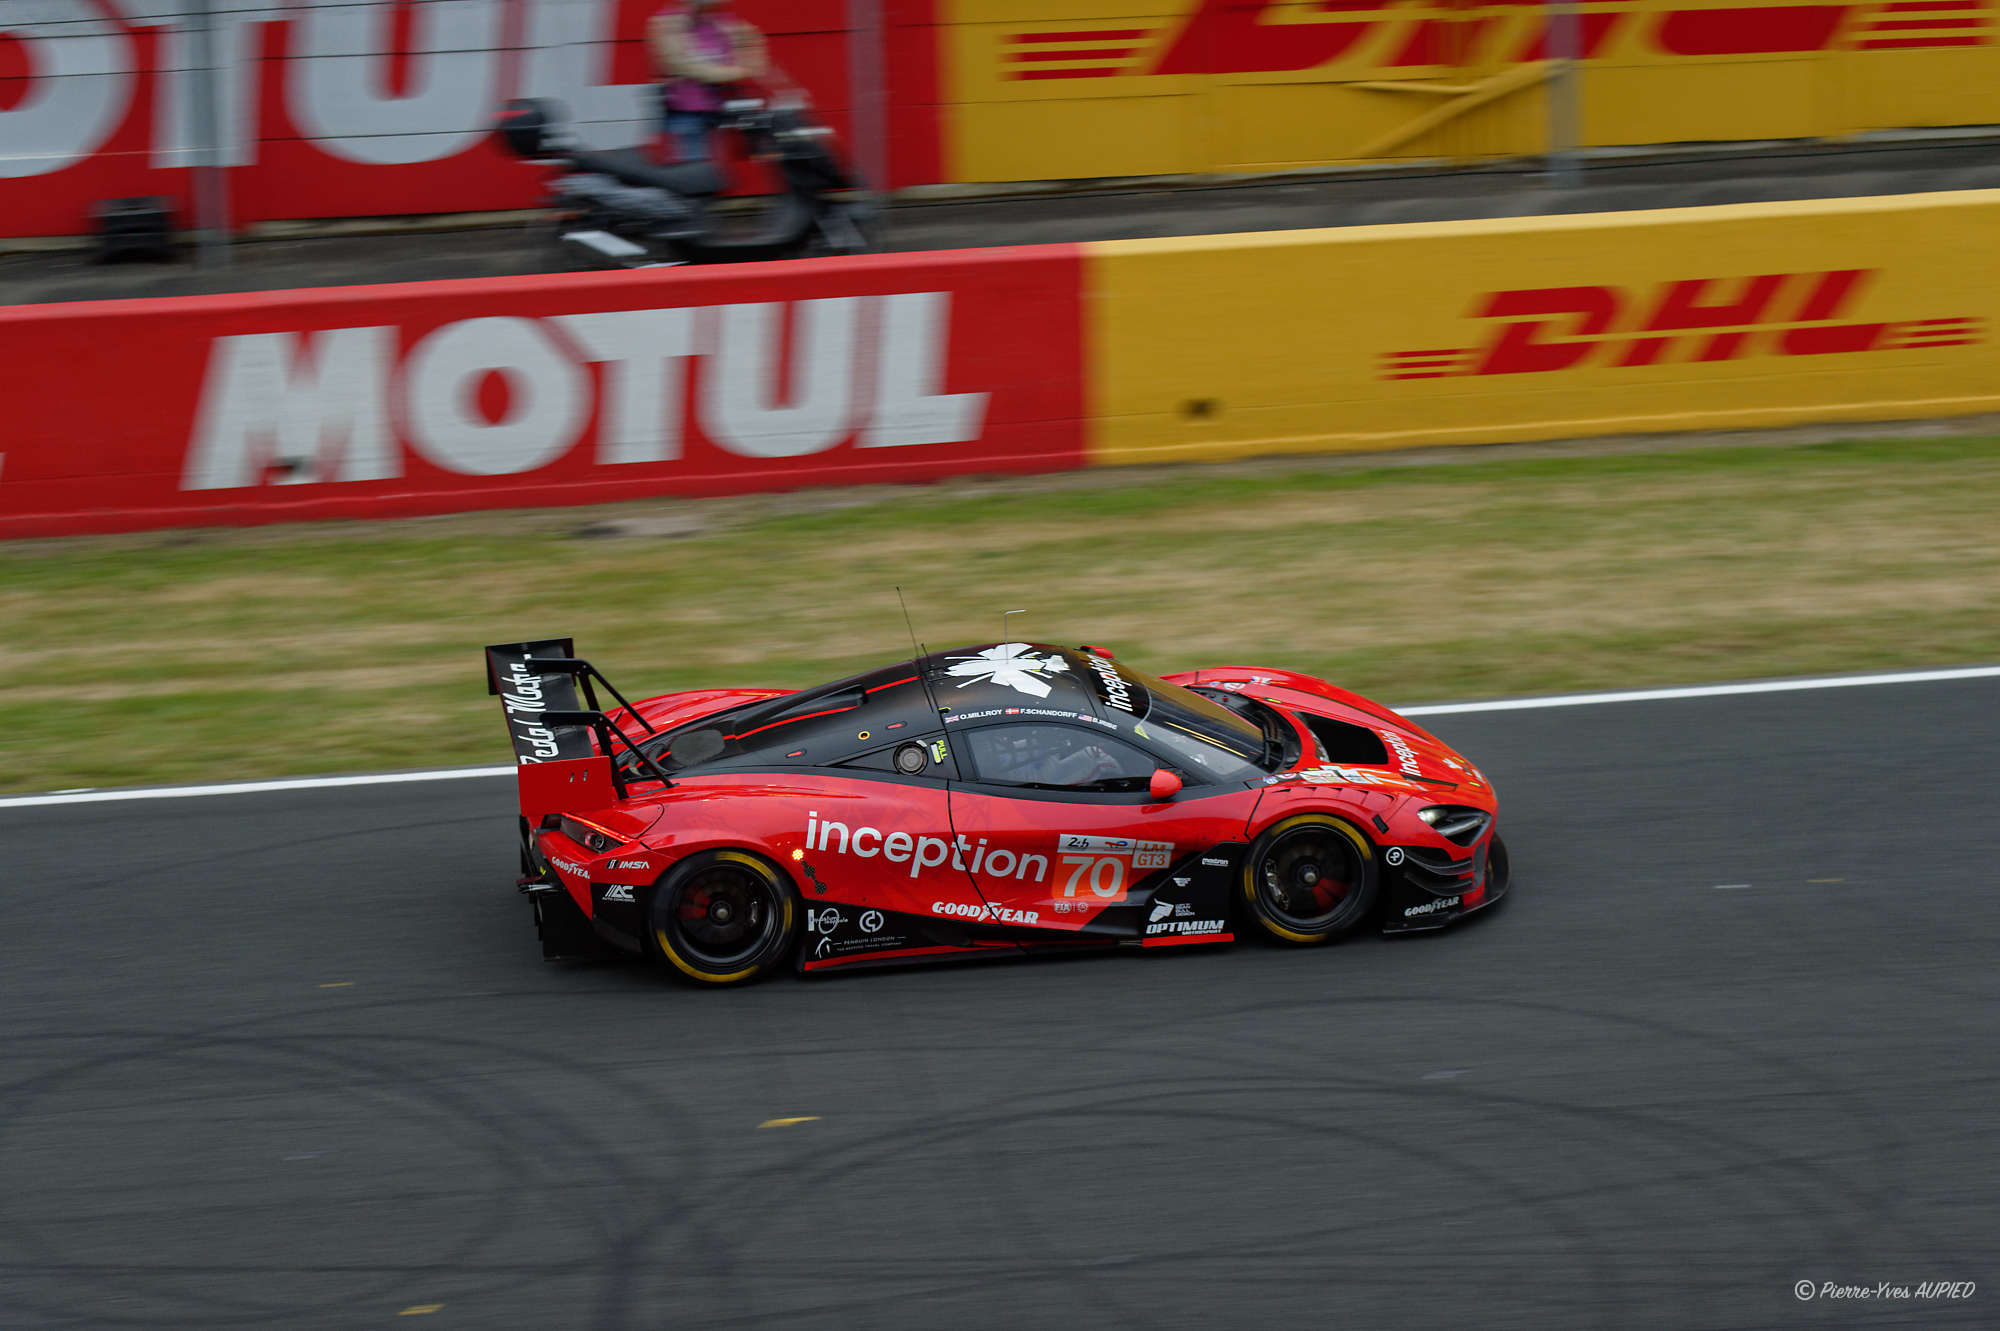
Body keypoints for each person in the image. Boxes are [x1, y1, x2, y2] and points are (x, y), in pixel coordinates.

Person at [649, 0, 768, 162]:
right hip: (686, 113)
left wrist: (746, 60)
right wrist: (736, 71)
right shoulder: (668, 23)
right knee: (694, 172)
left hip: (719, 110)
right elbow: (680, 64)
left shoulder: (718, 21)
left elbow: (751, 44)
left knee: (717, 169)